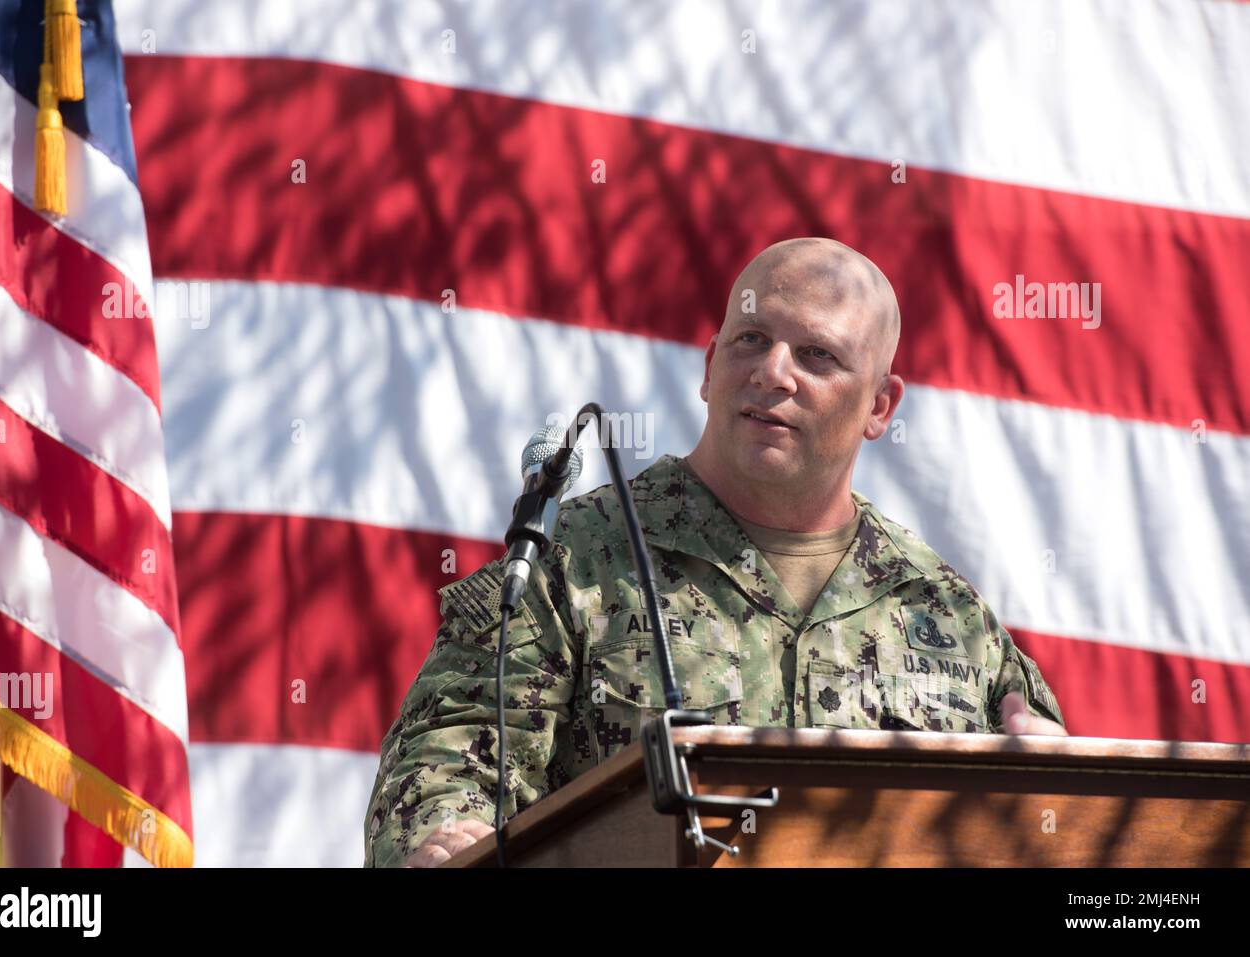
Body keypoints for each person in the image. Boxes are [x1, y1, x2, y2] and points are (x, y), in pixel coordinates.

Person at [364, 238, 1067, 868]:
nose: (773, 372)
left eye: (817, 355)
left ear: (881, 405)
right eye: (752, 339)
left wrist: (1053, 805)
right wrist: (447, 833)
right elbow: (451, 752)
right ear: (708, 368)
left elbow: (1064, 817)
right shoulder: (573, 561)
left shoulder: (945, 613)